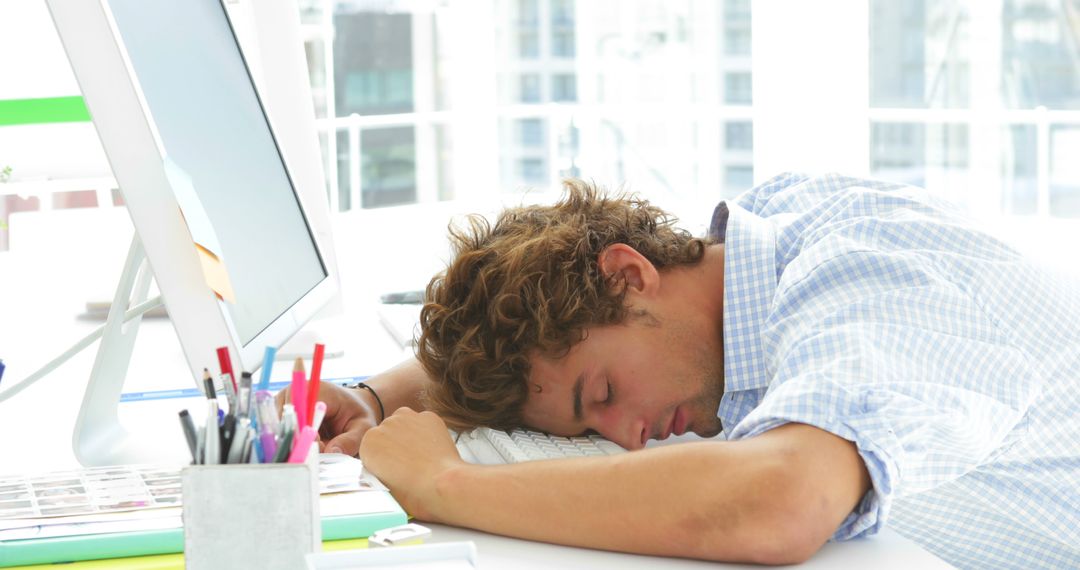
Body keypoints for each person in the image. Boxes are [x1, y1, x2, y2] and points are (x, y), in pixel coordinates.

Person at [282, 173, 1079, 568]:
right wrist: (374, 397)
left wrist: (444, 487)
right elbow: (545, 332)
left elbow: (782, 504)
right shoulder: (750, 247)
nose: (627, 438)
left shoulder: (873, 287)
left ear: (629, 274)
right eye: (591, 424)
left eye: (605, 396)